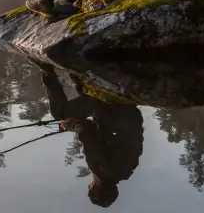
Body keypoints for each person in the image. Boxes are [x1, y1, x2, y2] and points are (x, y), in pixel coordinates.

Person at [36, 62, 143, 207]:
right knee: (59, 113)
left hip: (126, 109)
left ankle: (81, 70)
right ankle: (46, 69)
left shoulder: (126, 169)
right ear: (96, 188)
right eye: (90, 187)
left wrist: (75, 123)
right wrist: (70, 125)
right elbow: (85, 133)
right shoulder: (100, 169)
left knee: (82, 93)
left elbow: (91, 128)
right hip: (110, 106)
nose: (89, 184)